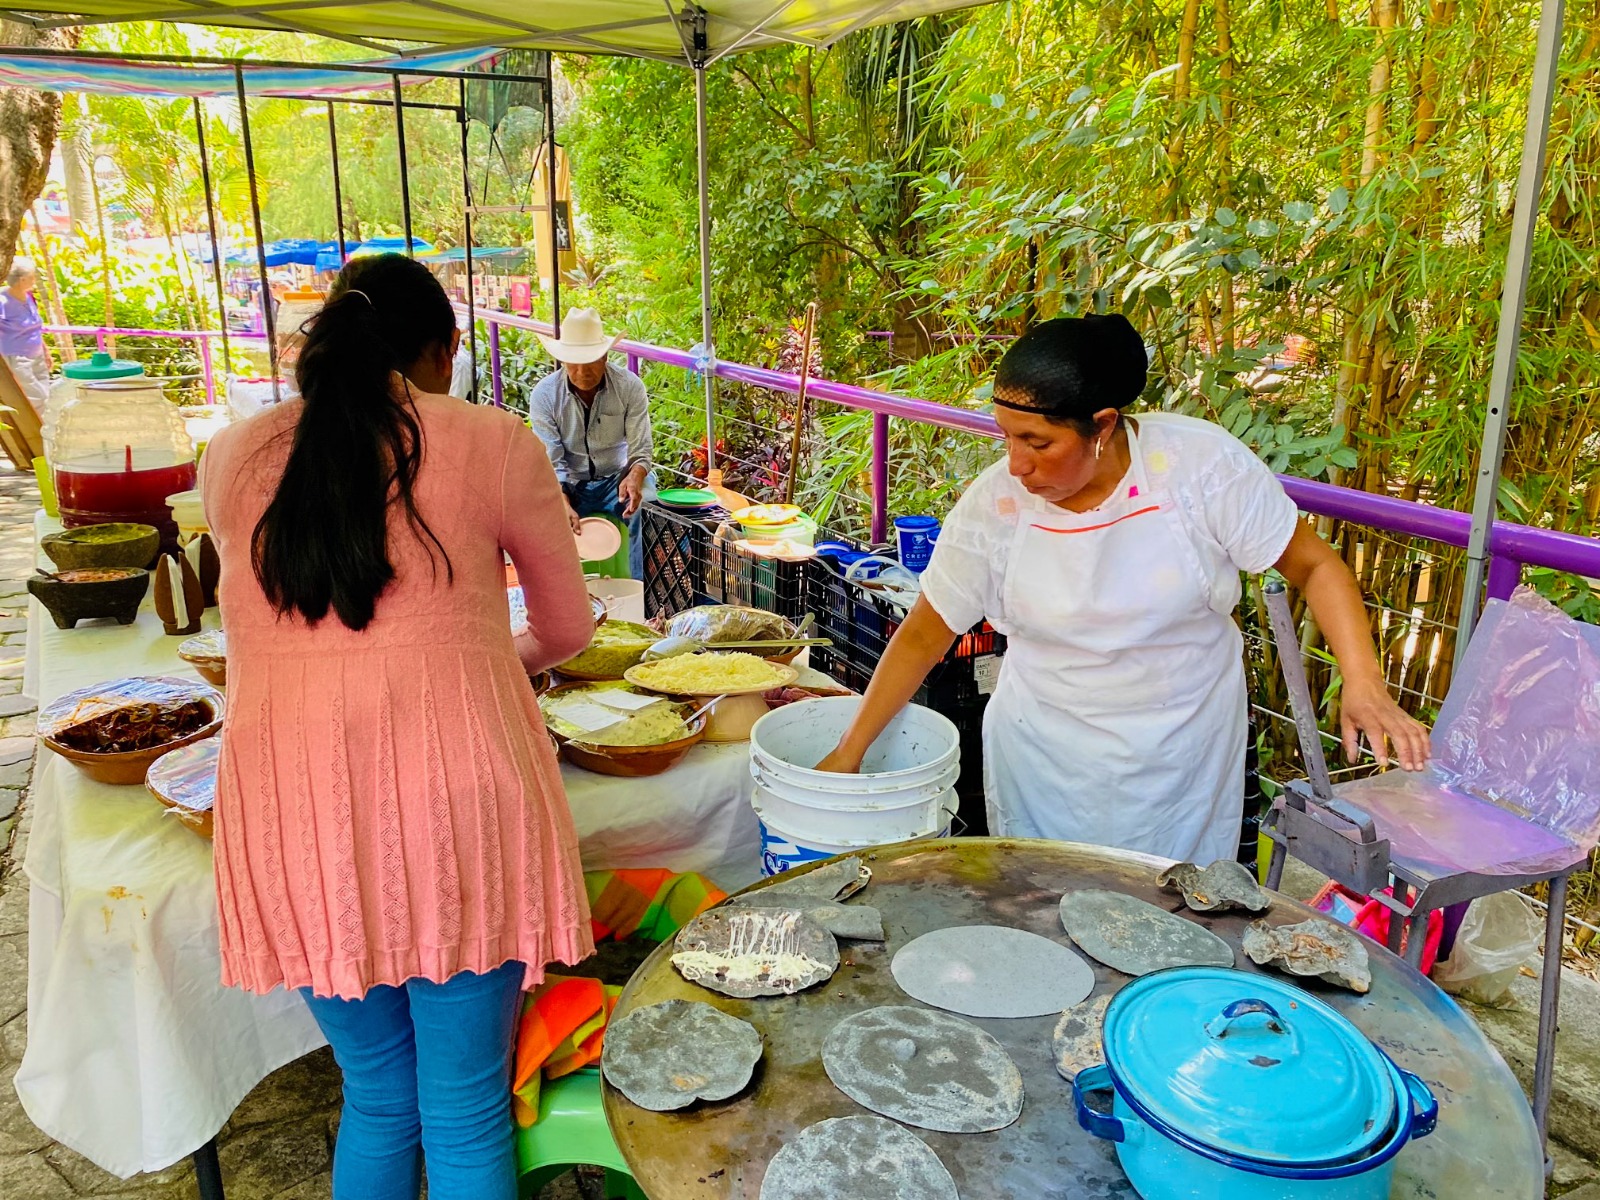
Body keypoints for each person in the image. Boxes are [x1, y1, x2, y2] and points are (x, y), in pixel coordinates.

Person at [200, 254, 596, 1200]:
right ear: (440, 351)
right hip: (457, 809)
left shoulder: (231, 456)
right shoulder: (491, 441)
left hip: (294, 819)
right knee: (463, 1108)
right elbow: (569, 627)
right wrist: (488, 661)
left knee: (378, 1095)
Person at [816, 313, 1430, 865]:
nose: (1017, 464)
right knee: (1048, 912)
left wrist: (1365, 682)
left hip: (1183, 751)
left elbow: (1317, 566)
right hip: (1045, 755)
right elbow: (927, 630)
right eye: (1005, 437)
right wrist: (850, 751)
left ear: (1102, 426)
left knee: (1179, 915)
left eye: (1038, 442)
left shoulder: (1199, 469)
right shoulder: (995, 505)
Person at [527, 308, 653, 579]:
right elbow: (552, 460)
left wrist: (635, 476)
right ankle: (561, 598)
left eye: (591, 361)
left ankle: (644, 595)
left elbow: (640, 449)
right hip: (569, 482)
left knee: (649, 508)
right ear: (562, 360)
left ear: (605, 356)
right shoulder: (545, 396)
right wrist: (560, 499)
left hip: (616, 479)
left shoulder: (629, 387)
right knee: (542, 518)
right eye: (573, 362)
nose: (582, 371)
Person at [0, 261, 50, 414]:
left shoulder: (28, 297)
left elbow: (35, 327)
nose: (34, 280)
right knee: (36, 397)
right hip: (17, 356)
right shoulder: (3, 300)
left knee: (46, 394)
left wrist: (45, 351)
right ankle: (36, 430)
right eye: (32, 277)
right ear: (22, 280)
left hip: (37, 354)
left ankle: (47, 428)